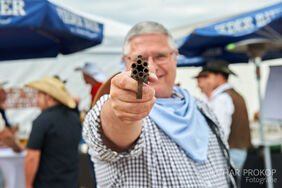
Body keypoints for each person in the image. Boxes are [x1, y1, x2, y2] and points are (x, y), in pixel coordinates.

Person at [83, 21, 237, 187]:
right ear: (126, 61)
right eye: (140, 59)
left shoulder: (202, 108)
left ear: (175, 57)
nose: (151, 67)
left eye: (161, 56)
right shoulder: (114, 105)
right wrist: (123, 110)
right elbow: (115, 123)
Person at [24, 76, 82, 188]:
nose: (37, 100)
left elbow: (32, 156)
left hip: (47, 183)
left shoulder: (42, 120)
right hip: (71, 182)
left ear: (49, 97)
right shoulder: (74, 118)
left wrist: (28, 184)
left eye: (39, 95)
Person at [195, 60, 252, 172]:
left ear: (219, 77)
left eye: (207, 76)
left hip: (228, 152)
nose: (201, 82)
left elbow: (220, 131)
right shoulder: (232, 94)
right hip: (235, 151)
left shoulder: (222, 98)